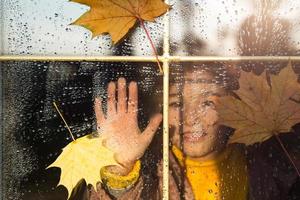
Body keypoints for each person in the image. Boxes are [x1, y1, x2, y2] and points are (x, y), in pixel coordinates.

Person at [70, 60, 299, 200]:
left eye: (208, 103)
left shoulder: (269, 163)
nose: (189, 119)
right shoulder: (150, 169)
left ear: (234, 106)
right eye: (176, 104)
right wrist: (121, 173)